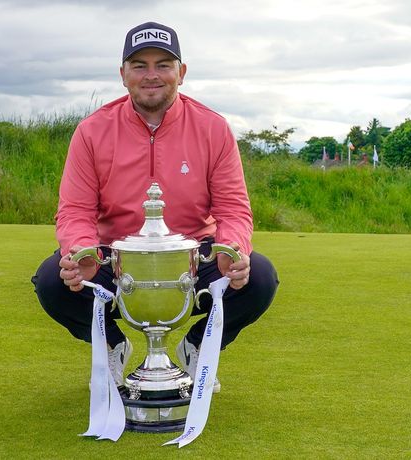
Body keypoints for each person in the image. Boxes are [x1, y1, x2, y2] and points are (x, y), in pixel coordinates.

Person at [32, 21, 279, 392]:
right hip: (113, 259)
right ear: (123, 74)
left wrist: (234, 250)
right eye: (140, 65)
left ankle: (198, 346)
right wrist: (78, 252)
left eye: (163, 64)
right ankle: (112, 346)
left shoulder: (214, 128)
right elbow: (75, 211)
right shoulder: (91, 131)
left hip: (194, 257)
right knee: (53, 280)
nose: (152, 75)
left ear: (181, 72)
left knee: (258, 277)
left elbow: (233, 208)